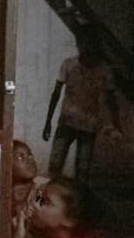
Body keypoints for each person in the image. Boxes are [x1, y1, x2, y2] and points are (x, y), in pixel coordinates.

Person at [42, 27, 121, 184]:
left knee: (83, 171)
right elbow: (56, 93)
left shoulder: (104, 70)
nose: (85, 46)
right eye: (82, 43)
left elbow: (111, 101)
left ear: (95, 44)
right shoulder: (69, 65)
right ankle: (50, 196)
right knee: (55, 165)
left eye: (89, 43)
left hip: (89, 126)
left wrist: (117, 124)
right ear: (78, 44)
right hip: (66, 122)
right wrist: (48, 122)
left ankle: (77, 198)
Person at [11, 139, 47, 238]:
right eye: (21, 157)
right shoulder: (1, 192)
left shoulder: (41, 190)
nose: (30, 161)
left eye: (30, 155)